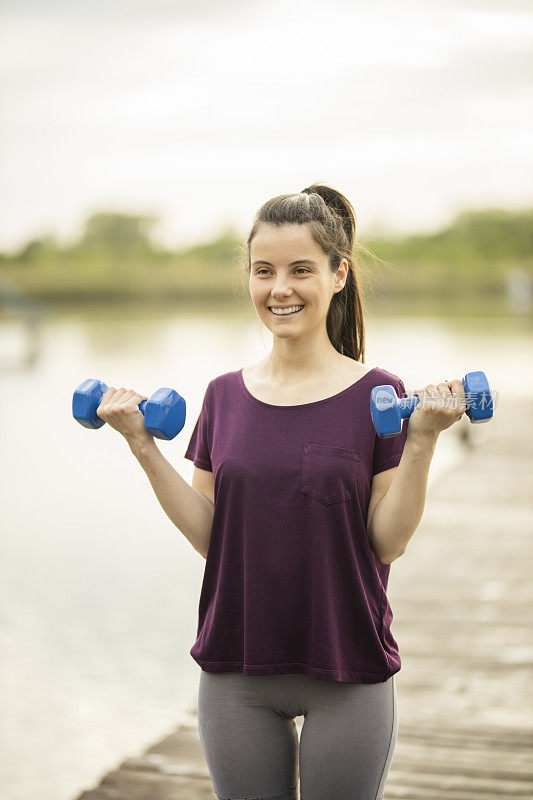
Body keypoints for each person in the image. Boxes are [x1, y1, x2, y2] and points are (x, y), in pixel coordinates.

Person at [95, 184, 467, 800]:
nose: (280, 289)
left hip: (346, 667)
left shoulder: (378, 393)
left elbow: (387, 541)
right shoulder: (222, 396)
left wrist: (423, 439)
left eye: (301, 270)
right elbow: (211, 536)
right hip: (237, 669)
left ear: (339, 274)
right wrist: (141, 446)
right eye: (263, 271)